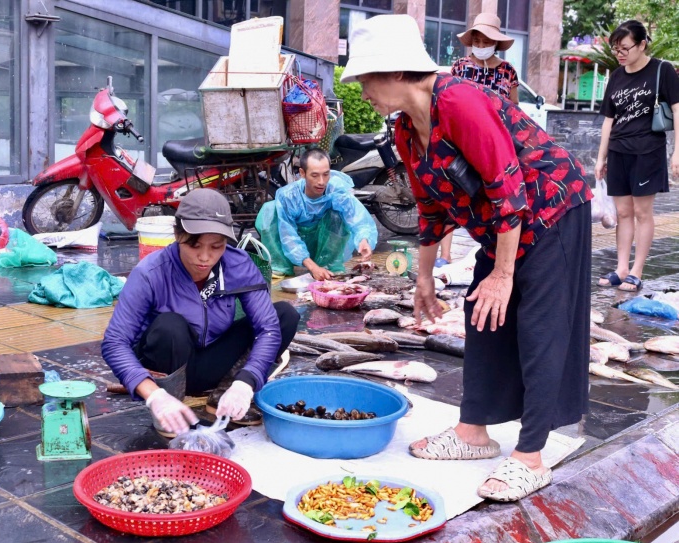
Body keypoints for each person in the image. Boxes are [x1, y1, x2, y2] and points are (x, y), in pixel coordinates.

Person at [341, 14, 592, 502]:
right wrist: (424, 279)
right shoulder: (404, 129)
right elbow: (430, 209)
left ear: (397, 71)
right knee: (483, 316)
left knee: (539, 326)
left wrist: (504, 273)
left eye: (366, 78)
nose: (363, 91)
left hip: (551, 208)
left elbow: (508, 189)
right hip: (503, 223)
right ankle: (473, 432)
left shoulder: (459, 100)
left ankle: (530, 456)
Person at [101, 188, 299, 436]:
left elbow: (267, 328)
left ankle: (224, 395)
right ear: (177, 235)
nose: (205, 257)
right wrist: (154, 395)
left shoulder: (238, 264)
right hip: (167, 364)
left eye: (216, 246)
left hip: (213, 361)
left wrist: (246, 382)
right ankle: (170, 407)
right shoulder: (151, 273)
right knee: (170, 326)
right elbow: (114, 342)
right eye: (194, 245)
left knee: (284, 315)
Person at [595, 20, 679, 292]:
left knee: (642, 212)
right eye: (615, 48)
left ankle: (637, 271)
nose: (619, 54)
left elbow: (677, 110)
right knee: (623, 212)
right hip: (618, 151)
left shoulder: (662, 70)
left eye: (625, 48)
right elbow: (608, 120)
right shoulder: (617, 76)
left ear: (642, 44)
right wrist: (601, 157)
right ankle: (621, 268)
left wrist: (677, 152)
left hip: (648, 152)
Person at [435, 12, 521, 268]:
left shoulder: (507, 71)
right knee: (453, 195)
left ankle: (492, 253)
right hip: (462, 141)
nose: (481, 46)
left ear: (496, 43)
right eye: (477, 41)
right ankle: (445, 255)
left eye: (487, 41)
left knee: (495, 197)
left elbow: (514, 108)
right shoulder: (460, 67)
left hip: (496, 144)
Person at [256, 148, 378, 280]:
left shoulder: (336, 188)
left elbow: (357, 217)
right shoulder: (288, 196)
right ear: (302, 173)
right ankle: (280, 266)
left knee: (337, 214)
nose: (321, 182)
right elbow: (288, 236)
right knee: (269, 210)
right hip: (292, 245)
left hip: (323, 241)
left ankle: (328, 264)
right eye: (314, 175)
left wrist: (363, 240)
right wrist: (312, 268)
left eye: (326, 174)